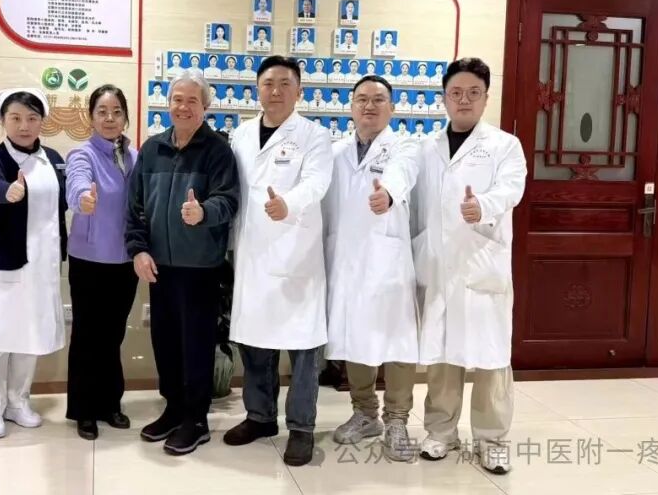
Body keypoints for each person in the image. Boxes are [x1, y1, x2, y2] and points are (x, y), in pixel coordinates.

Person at [411, 57, 526, 475]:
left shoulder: (504, 145)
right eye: (456, 93)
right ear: (443, 98)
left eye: (473, 93)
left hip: (481, 260)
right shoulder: (426, 148)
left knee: (491, 356)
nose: (464, 100)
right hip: (440, 265)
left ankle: (492, 439)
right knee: (442, 355)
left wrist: (484, 206)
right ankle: (441, 432)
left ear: (486, 98)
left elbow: (512, 188)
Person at [225, 56, 332, 467]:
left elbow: (317, 182)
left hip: (295, 253)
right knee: (254, 340)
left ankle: (301, 427)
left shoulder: (315, 135)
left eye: (285, 83)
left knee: (303, 347)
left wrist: (289, 203)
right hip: (253, 252)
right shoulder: (241, 134)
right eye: (268, 83)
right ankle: (260, 416)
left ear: (299, 91)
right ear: (257, 89)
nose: (276, 90)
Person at [126, 72, 240, 456]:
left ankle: (196, 419)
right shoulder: (152, 149)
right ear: (168, 103)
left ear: (205, 107)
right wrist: (138, 250)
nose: (183, 107)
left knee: (196, 345)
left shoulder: (217, 150)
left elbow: (229, 200)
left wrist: (203, 211)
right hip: (159, 266)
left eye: (192, 100)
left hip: (201, 267)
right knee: (165, 341)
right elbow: (135, 207)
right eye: (177, 99)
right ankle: (173, 408)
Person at [323, 75, 420, 461]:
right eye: (362, 99)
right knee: (355, 336)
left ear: (392, 108)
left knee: (397, 341)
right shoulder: (336, 152)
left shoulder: (405, 147)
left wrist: (389, 194)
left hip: (387, 261)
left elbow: (402, 174)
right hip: (347, 261)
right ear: (351, 107)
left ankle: (397, 420)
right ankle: (365, 413)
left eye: (378, 99)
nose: (369, 105)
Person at [0, 87, 68, 440]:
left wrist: (83, 201)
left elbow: (63, 199)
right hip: (4, 261)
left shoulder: (53, 157)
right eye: (15, 118)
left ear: (42, 121)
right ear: (2, 121)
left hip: (42, 264)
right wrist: (6, 192)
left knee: (29, 335)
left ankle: (18, 402)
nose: (24, 126)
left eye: (31, 118)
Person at [65, 85, 139, 440]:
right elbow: (76, 182)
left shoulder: (134, 155)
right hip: (90, 259)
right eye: (102, 112)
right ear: (90, 117)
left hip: (125, 260)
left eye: (117, 112)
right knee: (87, 335)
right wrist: (82, 198)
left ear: (125, 117)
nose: (110, 119)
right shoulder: (83, 154)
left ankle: (110, 403)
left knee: (113, 334)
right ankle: (84, 410)